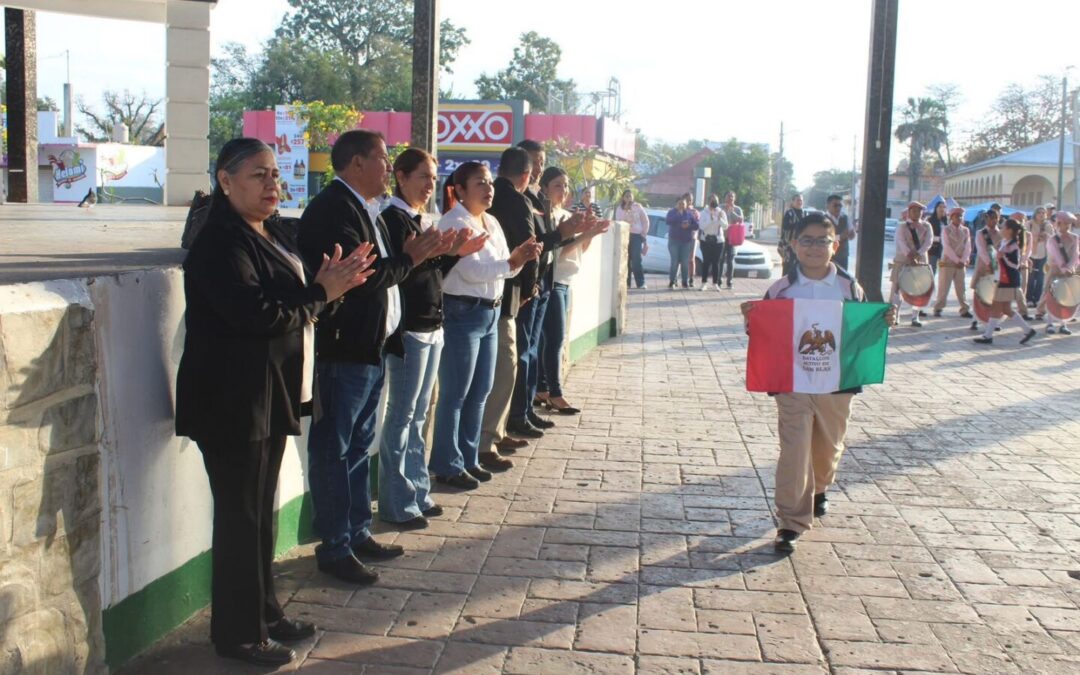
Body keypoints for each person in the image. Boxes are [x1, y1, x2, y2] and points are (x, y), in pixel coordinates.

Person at [176, 138, 376, 666]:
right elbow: (257, 314)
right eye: (258, 175)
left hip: (271, 393)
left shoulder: (271, 232)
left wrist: (331, 288)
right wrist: (321, 293)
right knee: (240, 520)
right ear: (225, 181)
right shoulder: (220, 242)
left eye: (274, 174)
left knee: (260, 517)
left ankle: (264, 612)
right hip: (232, 400)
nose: (272, 185)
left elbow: (299, 299)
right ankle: (238, 634)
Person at [298, 130, 450, 584]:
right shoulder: (333, 209)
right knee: (334, 449)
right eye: (383, 159)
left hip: (371, 347)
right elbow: (360, 275)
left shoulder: (367, 209)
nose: (388, 167)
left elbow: (383, 271)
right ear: (357, 163)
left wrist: (415, 257)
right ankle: (335, 546)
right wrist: (409, 258)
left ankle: (357, 531)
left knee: (358, 447)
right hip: (344, 348)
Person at [740, 212, 895, 554]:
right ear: (794, 245)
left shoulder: (848, 288)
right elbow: (763, 333)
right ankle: (791, 522)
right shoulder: (780, 290)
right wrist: (751, 319)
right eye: (806, 241)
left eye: (822, 241)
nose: (814, 248)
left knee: (827, 449)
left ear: (835, 245)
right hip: (793, 384)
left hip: (835, 385)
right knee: (795, 450)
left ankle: (820, 487)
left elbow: (861, 331)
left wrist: (883, 320)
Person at [377, 149, 487, 528]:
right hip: (409, 329)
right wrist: (441, 253)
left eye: (433, 178)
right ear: (401, 177)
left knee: (419, 415)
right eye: (423, 176)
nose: (430, 185)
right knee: (402, 417)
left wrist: (452, 253)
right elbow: (404, 273)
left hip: (432, 325)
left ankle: (418, 492)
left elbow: (431, 271)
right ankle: (397, 502)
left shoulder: (420, 219)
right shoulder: (392, 219)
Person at [430, 162, 542, 487]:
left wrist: (517, 260)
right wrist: (511, 262)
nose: (488, 188)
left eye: (490, 182)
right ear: (460, 190)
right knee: (456, 394)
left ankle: (469, 457)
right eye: (480, 183)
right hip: (462, 313)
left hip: (490, 312)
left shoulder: (490, 221)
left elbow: (506, 266)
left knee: (480, 391)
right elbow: (472, 272)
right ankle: (447, 463)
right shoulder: (455, 222)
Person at [536, 167, 607, 414]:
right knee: (554, 339)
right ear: (544, 188)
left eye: (566, 186)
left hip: (566, 281)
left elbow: (578, 250)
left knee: (551, 339)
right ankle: (554, 392)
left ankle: (543, 388)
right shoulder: (548, 217)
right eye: (557, 185)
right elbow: (556, 253)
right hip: (553, 280)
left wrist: (590, 234)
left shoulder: (567, 215)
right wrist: (583, 233)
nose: (563, 190)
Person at [973, 218, 1037, 345]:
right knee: (1005, 309)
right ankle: (1027, 330)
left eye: (1003, 227)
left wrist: (1004, 258)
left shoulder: (1013, 246)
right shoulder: (1005, 242)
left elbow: (1015, 265)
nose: (1001, 229)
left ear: (1009, 230)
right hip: (1003, 279)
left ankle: (988, 336)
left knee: (998, 308)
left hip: (1007, 280)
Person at [888, 201, 933, 327]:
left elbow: (928, 242)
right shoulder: (902, 226)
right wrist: (909, 254)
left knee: (919, 289)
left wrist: (919, 253)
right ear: (909, 212)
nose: (916, 213)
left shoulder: (927, 226)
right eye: (914, 211)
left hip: (920, 261)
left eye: (919, 211)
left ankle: (915, 317)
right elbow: (901, 242)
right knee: (897, 288)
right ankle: (895, 315)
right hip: (903, 260)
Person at [932, 207, 973, 318]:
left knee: (961, 287)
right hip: (948, 262)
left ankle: (964, 309)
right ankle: (938, 308)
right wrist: (957, 260)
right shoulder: (946, 229)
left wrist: (963, 260)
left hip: (961, 263)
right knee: (944, 287)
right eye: (956, 216)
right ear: (951, 217)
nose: (959, 218)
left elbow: (968, 246)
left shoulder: (966, 230)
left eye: (961, 216)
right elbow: (946, 247)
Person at [1043, 211, 1079, 335]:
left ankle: (1063, 324)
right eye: (1065, 223)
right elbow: (1056, 256)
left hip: (1069, 272)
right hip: (1054, 271)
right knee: (1051, 296)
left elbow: (1076, 255)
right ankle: (1050, 323)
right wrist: (1065, 269)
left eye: (1069, 223)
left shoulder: (1075, 238)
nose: (1068, 225)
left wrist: (1070, 268)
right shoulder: (1052, 239)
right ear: (1058, 223)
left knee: (1066, 297)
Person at [970, 209, 1003, 332]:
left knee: (994, 295)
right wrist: (989, 263)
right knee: (979, 294)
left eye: (996, 218)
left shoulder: (1001, 234)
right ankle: (975, 319)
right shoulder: (981, 233)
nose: (994, 221)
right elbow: (982, 250)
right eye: (991, 218)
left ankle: (993, 321)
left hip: (997, 268)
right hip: (983, 266)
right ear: (986, 218)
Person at [616, 189, 650, 289]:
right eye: (626, 196)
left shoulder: (638, 207)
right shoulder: (620, 208)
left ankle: (640, 283)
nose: (628, 198)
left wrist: (643, 234)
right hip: (624, 235)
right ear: (623, 198)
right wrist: (626, 210)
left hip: (636, 236)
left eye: (630, 196)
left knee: (636, 260)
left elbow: (645, 221)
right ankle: (626, 283)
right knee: (625, 260)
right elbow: (619, 221)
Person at [666, 197, 698, 288]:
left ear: (686, 205)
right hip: (674, 241)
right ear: (676, 204)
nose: (681, 205)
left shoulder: (689, 214)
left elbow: (696, 226)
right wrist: (678, 215)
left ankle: (685, 281)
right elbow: (668, 221)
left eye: (683, 204)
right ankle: (672, 281)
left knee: (685, 262)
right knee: (674, 261)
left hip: (686, 242)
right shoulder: (671, 212)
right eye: (679, 204)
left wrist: (688, 226)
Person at [698, 194, 727, 290]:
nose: (713, 202)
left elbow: (725, 226)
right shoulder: (704, 212)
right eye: (711, 200)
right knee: (706, 261)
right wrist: (710, 218)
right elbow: (701, 226)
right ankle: (704, 283)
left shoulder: (721, 212)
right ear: (708, 201)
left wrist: (719, 219)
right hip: (705, 240)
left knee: (716, 262)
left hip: (718, 240)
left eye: (715, 200)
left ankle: (715, 283)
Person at [1027, 206, 1052, 309]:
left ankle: (1037, 299)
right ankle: (1029, 299)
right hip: (1031, 254)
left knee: (1041, 278)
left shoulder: (1048, 225)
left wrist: (1047, 236)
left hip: (1044, 255)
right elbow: (1025, 236)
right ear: (1035, 214)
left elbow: (1052, 239)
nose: (1041, 215)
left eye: (1043, 213)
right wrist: (1036, 236)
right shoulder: (1029, 224)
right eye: (1039, 212)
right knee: (1031, 277)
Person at [719, 191, 744, 289]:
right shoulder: (720, 208)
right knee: (720, 259)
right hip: (722, 237)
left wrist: (732, 212)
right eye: (728, 196)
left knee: (730, 259)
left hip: (733, 238)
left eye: (732, 197)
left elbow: (740, 220)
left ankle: (729, 281)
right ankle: (718, 280)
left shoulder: (737, 209)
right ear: (725, 198)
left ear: (735, 198)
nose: (730, 198)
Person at [824, 194, 854, 271]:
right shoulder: (823, 219)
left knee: (843, 277)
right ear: (827, 206)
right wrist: (840, 237)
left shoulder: (845, 218)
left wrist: (852, 235)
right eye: (835, 205)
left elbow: (852, 234)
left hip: (843, 255)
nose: (838, 208)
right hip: (829, 256)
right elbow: (823, 238)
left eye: (840, 205)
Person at [779, 194, 804, 277]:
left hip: (801, 245)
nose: (800, 202)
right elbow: (785, 227)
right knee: (788, 267)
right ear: (793, 202)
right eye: (798, 200)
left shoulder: (804, 213)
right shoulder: (789, 213)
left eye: (801, 200)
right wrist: (797, 226)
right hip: (789, 246)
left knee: (800, 268)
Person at [926, 201, 948, 275]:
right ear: (936, 208)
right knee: (932, 269)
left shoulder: (945, 221)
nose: (942, 209)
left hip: (943, 250)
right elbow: (927, 235)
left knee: (943, 270)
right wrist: (940, 239)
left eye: (944, 207)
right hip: (932, 249)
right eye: (940, 207)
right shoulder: (930, 220)